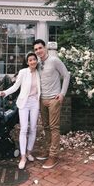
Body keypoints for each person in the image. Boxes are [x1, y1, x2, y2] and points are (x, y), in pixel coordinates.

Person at [0, 52, 40, 170]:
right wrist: (5, 92)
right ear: (27, 62)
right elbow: (16, 87)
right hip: (24, 103)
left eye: (34, 59)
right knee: (23, 129)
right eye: (30, 60)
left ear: (36, 61)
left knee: (33, 128)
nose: (32, 61)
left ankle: (29, 152)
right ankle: (23, 157)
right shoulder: (23, 72)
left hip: (34, 103)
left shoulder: (38, 73)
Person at [33, 39, 70, 169]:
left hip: (54, 99)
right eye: (36, 49)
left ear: (45, 48)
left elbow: (66, 75)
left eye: (40, 48)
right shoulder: (38, 64)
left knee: (54, 127)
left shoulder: (54, 60)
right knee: (46, 126)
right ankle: (48, 149)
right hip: (42, 100)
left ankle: (53, 156)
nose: (38, 51)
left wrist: (62, 94)